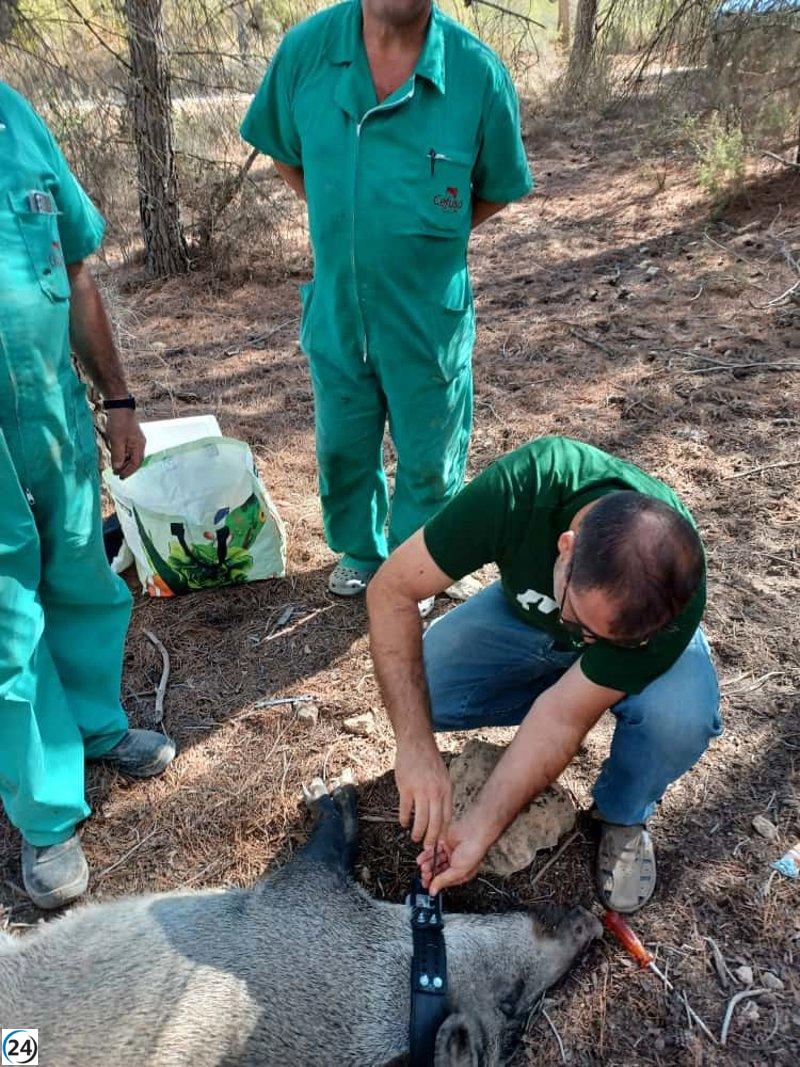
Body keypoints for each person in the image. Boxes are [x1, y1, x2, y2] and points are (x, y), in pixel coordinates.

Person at [241, 0, 532, 604]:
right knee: (344, 443)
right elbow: (284, 152)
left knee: (430, 452)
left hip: (428, 315)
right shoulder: (307, 52)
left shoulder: (476, 72)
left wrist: (423, 243)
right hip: (339, 309)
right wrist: (343, 225)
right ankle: (361, 551)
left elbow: (499, 187)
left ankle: (417, 563)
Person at [367, 436, 721, 912]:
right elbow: (391, 590)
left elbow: (562, 718)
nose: (587, 641)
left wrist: (479, 831)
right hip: (526, 617)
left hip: (621, 653)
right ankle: (574, 651)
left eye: (610, 641)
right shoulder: (525, 488)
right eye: (579, 620)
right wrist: (415, 747)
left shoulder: (669, 598)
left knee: (678, 719)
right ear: (565, 548)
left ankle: (621, 812)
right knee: (426, 684)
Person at [0, 82, 175, 910]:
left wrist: (118, 399)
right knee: (7, 615)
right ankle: (45, 811)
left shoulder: (19, 117)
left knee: (81, 569)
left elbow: (75, 269)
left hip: (53, 411)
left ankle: (98, 726)